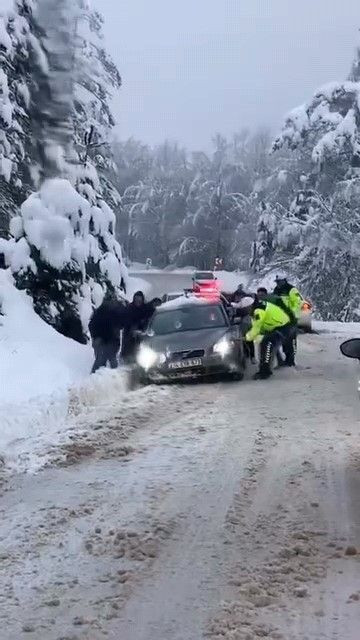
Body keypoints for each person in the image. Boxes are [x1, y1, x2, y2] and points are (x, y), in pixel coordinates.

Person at [245, 298, 295, 380]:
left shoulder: (258, 311)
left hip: (282, 327)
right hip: (278, 327)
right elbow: (259, 329)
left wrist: (247, 337)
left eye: (245, 309)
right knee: (267, 344)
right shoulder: (258, 307)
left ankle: (265, 372)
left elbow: (256, 328)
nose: (245, 311)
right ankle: (270, 366)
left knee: (267, 344)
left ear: (249, 306)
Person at [89, 297, 127, 373]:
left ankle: (113, 378)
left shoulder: (115, 313)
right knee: (101, 360)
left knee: (111, 360)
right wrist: (96, 337)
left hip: (111, 341)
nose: (111, 304)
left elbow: (122, 323)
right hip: (101, 340)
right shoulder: (100, 312)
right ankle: (94, 378)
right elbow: (92, 325)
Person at [272, 275, 303, 366]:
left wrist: (290, 313)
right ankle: (285, 359)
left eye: (279, 281)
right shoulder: (276, 290)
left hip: (290, 320)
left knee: (290, 340)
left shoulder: (291, 290)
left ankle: (290, 360)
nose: (278, 283)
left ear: (284, 281)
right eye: (277, 282)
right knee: (282, 340)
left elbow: (297, 303)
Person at [121, 292, 160, 363]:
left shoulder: (146, 308)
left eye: (139, 299)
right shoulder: (129, 308)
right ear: (134, 299)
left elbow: (152, 311)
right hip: (131, 338)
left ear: (142, 300)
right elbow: (126, 326)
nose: (138, 301)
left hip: (144, 337)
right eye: (136, 299)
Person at [231, 292, 256, 364]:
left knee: (248, 341)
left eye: (239, 296)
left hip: (246, 323)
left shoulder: (245, 302)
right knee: (244, 342)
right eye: (236, 297)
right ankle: (248, 355)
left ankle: (251, 356)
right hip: (242, 324)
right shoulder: (238, 304)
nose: (237, 298)